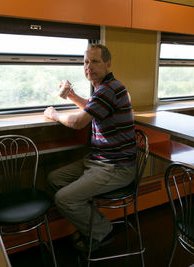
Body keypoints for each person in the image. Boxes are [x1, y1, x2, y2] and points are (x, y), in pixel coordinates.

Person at [44, 44, 136, 252]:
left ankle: (104, 232)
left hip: (117, 167)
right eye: (86, 62)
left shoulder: (110, 89)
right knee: (54, 179)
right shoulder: (103, 89)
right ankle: (92, 221)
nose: (89, 67)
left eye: (95, 61)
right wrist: (72, 96)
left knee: (63, 199)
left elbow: (78, 122)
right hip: (99, 160)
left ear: (107, 64)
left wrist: (54, 114)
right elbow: (93, 106)